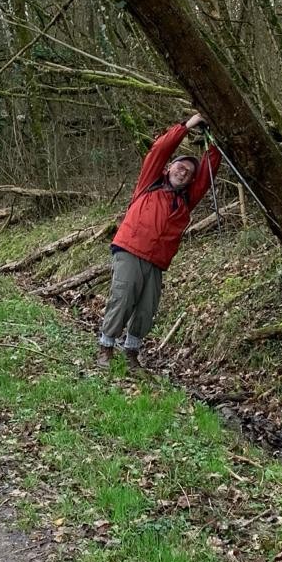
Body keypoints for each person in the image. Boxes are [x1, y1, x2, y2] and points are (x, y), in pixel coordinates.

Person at [98, 113, 220, 373]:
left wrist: (214, 141)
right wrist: (188, 125)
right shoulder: (150, 182)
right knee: (123, 297)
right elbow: (160, 149)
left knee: (146, 308)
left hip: (157, 261)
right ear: (168, 168)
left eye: (188, 172)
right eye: (180, 166)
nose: (183, 171)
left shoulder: (187, 201)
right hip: (130, 250)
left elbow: (207, 174)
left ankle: (131, 353)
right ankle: (106, 348)